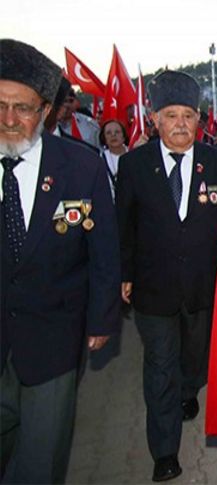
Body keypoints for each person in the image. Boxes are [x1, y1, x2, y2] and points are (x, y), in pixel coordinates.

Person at [1, 39, 120, 484]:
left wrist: (101, 318)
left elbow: (102, 250)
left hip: (52, 335)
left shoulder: (79, 167)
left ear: (46, 110)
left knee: (38, 462)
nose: (10, 120)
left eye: (23, 108)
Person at [116, 70, 217, 482]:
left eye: (188, 115)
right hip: (153, 290)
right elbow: (124, 226)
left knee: (194, 358)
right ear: (155, 119)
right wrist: (125, 273)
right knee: (160, 367)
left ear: (199, 119)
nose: (181, 124)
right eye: (171, 115)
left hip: (203, 288)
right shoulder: (134, 166)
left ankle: (190, 390)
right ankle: (164, 450)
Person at [99, 119, 127, 200]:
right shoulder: (100, 159)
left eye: (117, 132)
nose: (113, 135)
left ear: (123, 136)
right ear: (104, 138)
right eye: (108, 133)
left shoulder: (133, 154)